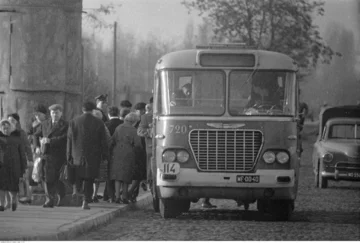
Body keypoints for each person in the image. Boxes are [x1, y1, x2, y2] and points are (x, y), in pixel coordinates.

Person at [67, 101, 109, 210]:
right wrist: (105, 155)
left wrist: (68, 155)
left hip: (77, 154)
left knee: (78, 175)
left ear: (82, 109)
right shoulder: (99, 122)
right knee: (89, 179)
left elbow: (70, 140)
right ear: (93, 110)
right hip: (93, 155)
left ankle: (77, 191)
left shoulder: (74, 122)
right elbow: (103, 140)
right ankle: (86, 200)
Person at [34, 104, 68, 208]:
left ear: (61, 113)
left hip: (59, 155)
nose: (55, 115)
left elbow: (66, 137)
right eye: (53, 113)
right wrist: (37, 146)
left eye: (57, 113)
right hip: (46, 154)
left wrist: (51, 141)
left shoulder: (66, 124)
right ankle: (49, 199)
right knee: (46, 177)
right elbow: (36, 135)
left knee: (58, 177)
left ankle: (61, 196)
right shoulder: (45, 124)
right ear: (50, 113)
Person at [110, 112, 141, 204]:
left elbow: (113, 139)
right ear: (134, 121)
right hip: (129, 152)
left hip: (117, 151)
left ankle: (117, 197)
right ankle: (124, 196)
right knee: (126, 176)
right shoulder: (133, 130)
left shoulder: (119, 128)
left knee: (117, 176)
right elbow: (138, 144)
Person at [20, 104, 47, 204]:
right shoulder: (33, 123)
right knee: (31, 173)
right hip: (34, 150)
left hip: (45, 151)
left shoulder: (48, 123)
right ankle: (29, 196)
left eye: (39, 114)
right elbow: (28, 136)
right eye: (36, 115)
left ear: (44, 115)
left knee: (42, 173)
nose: (37, 117)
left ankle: (47, 197)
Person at [0, 119, 26, 211]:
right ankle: (1, 204)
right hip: (2, 166)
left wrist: (23, 168)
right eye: (4, 128)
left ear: (10, 128)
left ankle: (13, 201)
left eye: (7, 128)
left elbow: (22, 154)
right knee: (2, 186)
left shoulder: (17, 139)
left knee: (13, 186)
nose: (6, 130)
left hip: (15, 166)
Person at [8, 113, 33, 205]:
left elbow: (27, 146)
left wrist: (30, 159)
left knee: (23, 178)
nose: (10, 122)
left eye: (13, 121)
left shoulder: (21, 133)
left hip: (20, 159)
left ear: (17, 122)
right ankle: (12, 199)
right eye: (9, 120)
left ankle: (25, 197)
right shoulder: (4, 131)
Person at [128, 102, 147, 202]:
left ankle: (133, 194)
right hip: (137, 150)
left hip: (141, 150)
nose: (141, 112)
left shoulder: (142, 121)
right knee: (137, 174)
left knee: (138, 173)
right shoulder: (135, 121)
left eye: (142, 110)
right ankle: (131, 193)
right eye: (139, 110)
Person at [103, 106, 123, 202]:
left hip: (108, 151)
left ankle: (109, 195)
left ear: (108, 114)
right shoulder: (122, 124)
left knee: (108, 173)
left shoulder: (105, 124)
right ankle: (117, 194)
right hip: (119, 152)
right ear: (118, 114)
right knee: (118, 174)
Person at [91, 109, 111, 203]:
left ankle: (91, 194)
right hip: (99, 154)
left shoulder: (87, 125)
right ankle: (94, 194)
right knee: (97, 177)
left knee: (90, 175)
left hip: (89, 153)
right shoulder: (103, 126)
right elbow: (108, 140)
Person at [137, 102, 154, 192]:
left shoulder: (144, 117)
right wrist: (152, 132)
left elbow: (139, 131)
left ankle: (150, 183)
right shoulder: (145, 117)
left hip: (151, 146)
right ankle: (150, 183)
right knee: (151, 165)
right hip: (153, 146)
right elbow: (140, 131)